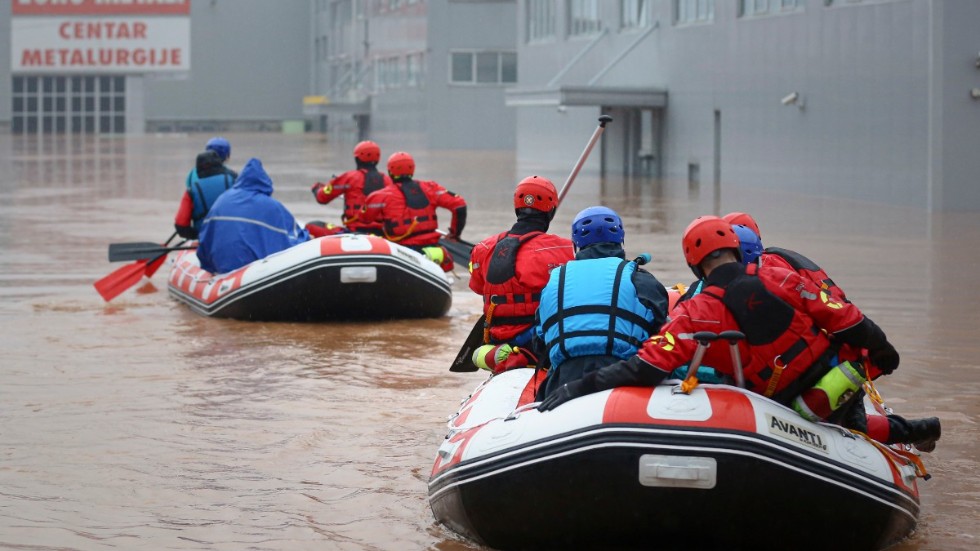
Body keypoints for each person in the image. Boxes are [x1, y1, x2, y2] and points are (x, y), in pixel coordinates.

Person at [538, 215, 941, 452]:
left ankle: (901, 430)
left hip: (786, 405)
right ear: (736, 245)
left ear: (694, 264)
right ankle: (909, 430)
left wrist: (578, 388)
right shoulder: (782, 277)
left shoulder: (694, 312)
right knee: (848, 420)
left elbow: (643, 367)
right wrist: (886, 355)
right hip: (837, 379)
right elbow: (848, 320)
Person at [535, 206, 669, 397]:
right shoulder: (640, 279)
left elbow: (540, 342)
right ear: (620, 240)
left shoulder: (553, 283)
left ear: (576, 244)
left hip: (563, 381)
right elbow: (663, 330)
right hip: (623, 376)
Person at [467, 176, 575, 372]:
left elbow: (477, 287)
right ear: (550, 211)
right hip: (537, 344)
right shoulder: (566, 248)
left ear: (516, 207)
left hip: (496, 341)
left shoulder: (482, 249)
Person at [196, 158, 310, 275]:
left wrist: (209, 266)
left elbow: (204, 240)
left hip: (221, 269)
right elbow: (292, 244)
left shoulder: (222, 200)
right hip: (255, 274)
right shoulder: (271, 206)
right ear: (265, 182)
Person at [361, 151, 467, 271]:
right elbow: (459, 205)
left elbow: (364, 219)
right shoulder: (431, 188)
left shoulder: (379, 195)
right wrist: (454, 234)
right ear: (412, 170)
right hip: (432, 250)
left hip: (401, 252)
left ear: (390, 172)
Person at [310, 140, 393, 235]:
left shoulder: (349, 178)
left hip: (353, 232)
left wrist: (316, 188)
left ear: (357, 159)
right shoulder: (388, 181)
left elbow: (322, 198)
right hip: (380, 234)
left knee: (312, 226)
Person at [174, 137, 238, 240]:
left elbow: (181, 224)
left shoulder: (192, 179)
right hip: (231, 234)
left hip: (203, 236)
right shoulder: (233, 178)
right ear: (227, 155)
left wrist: (196, 235)